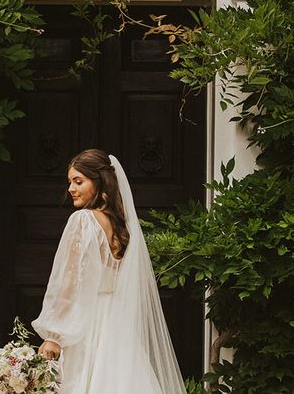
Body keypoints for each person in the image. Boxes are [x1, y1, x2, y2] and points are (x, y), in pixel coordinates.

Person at [32, 148, 186, 393]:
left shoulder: (83, 220)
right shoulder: (123, 226)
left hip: (89, 324)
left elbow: (69, 282)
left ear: (99, 181)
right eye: (69, 182)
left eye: (78, 181)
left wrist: (54, 335)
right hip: (118, 324)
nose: (70, 188)